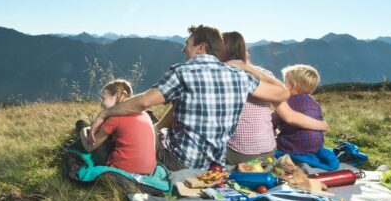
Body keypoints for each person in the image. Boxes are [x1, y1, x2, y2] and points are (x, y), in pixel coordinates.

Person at [89, 25, 289, 170]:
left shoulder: (181, 72)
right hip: (215, 165)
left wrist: (106, 112)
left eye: (187, 44)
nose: (183, 48)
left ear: (200, 47)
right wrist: (248, 68)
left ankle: (96, 146)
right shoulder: (241, 77)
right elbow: (282, 93)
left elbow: (142, 102)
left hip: (178, 161)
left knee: (131, 123)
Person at [219, 32, 329, 166]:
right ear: (243, 50)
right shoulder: (266, 74)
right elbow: (290, 116)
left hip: (241, 155)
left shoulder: (220, 74)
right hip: (268, 152)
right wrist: (322, 125)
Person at [77, 79, 157, 174]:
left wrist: (82, 131)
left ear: (117, 96)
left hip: (121, 170)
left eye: (103, 98)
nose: (101, 103)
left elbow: (89, 147)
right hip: (149, 170)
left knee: (86, 132)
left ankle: (80, 126)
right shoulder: (145, 114)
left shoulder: (114, 119)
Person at [272, 64, 340, 170]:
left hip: (292, 149)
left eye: (284, 81)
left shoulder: (286, 103)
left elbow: (272, 123)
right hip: (316, 148)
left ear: (293, 85)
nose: (283, 84)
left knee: (272, 145)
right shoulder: (315, 104)